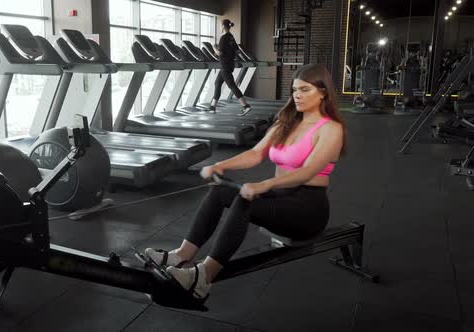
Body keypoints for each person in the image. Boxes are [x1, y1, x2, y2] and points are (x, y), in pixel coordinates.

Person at [145, 63, 347, 301]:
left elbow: (309, 170)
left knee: (245, 199)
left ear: (323, 92)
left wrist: (264, 185)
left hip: (307, 209)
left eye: (305, 90)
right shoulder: (287, 123)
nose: (297, 95)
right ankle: (182, 254)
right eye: (294, 90)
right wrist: (221, 165)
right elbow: (255, 153)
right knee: (221, 190)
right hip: (280, 198)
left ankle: (204, 278)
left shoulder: (332, 129)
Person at [209, 19, 252, 116]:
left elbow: (220, 53)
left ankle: (246, 106)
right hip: (229, 64)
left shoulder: (223, 38)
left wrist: (214, 47)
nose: (220, 28)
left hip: (225, 65)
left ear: (223, 26)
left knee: (232, 85)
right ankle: (212, 106)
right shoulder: (231, 37)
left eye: (220, 26)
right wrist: (229, 54)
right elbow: (238, 51)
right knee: (217, 83)